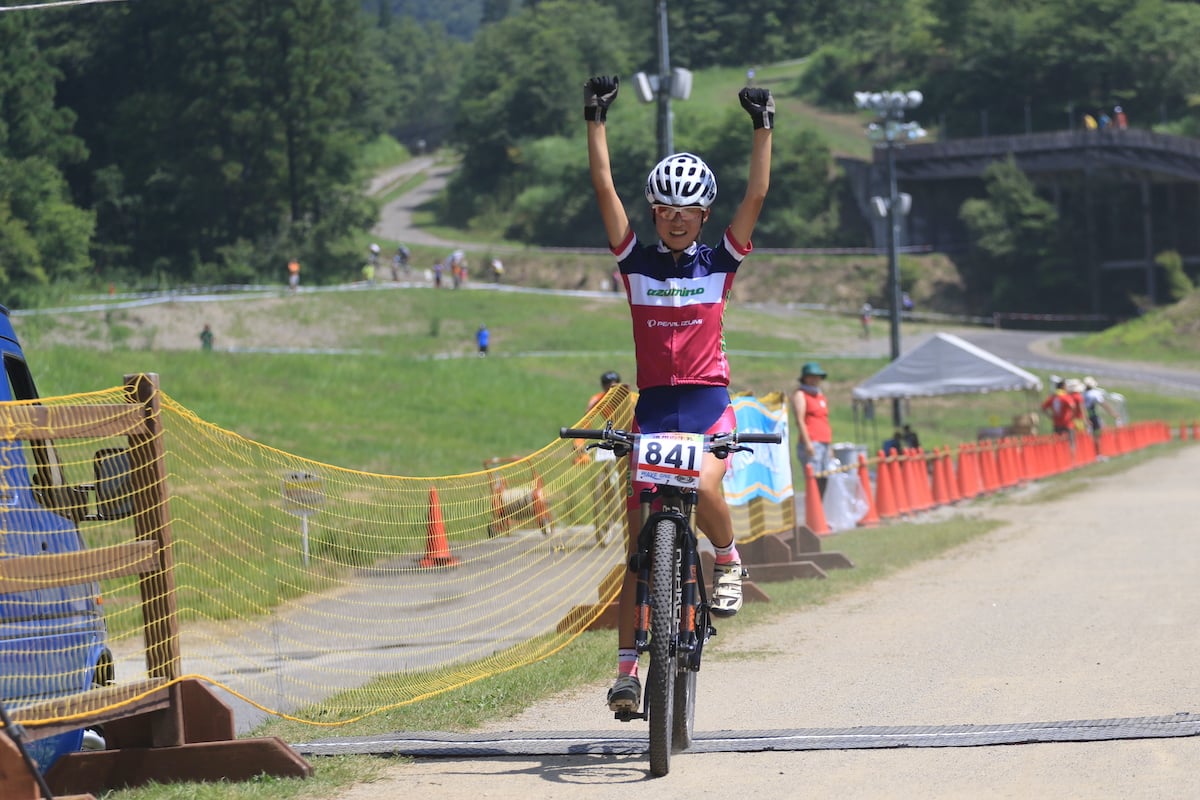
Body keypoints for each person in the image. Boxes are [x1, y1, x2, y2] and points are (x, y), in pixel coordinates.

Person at [585, 73, 773, 712]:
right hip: (655, 408)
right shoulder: (634, 261)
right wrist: (596, 119)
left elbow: (757, 193)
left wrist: (762, 126)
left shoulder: (719, 262)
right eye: (664, 210)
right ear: (655, 213)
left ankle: (726, 558)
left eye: (686, 212)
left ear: (702, 217)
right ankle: (626, 673)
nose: (674, 220)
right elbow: (604, 188)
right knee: (638, 550)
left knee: (710, 486)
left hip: (706, 403)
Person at [790, 362, 833, 496]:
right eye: (811, 376)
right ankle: (814, 510)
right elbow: (800, 419)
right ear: (805, 377)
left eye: (817, 376)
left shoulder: (820, 396)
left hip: (824, 440)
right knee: (814, 477)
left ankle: (820, 510)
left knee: (824, 476)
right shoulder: (801, 394)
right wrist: (808, 442)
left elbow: (824, 420)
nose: (815, 379)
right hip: (812, 440)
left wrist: (829, 445)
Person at [1082, 375, 1119, 451]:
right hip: (1092, 416)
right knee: (1097, 435)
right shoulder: (1094, 393)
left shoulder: (1082, 394)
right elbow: (1103, 404)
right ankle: (1098, 453)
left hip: (1084, 417)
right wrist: (1113, 413)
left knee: (1087, 435)